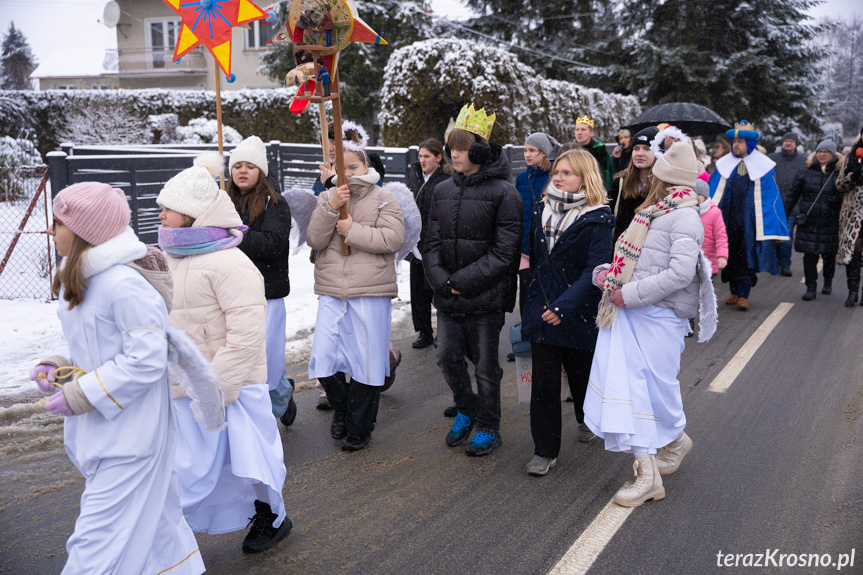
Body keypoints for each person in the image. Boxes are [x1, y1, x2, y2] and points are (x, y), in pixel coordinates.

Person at [30, 182, 204, 574]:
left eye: (58, 223)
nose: (50, 230)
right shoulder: (81, 277)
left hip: (133, 434)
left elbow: (146, 358)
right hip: (106, 430)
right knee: (155, 521)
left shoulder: (124, 285)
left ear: (83, 231)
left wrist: (82, 394)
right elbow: (84, 338)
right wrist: (56, 361)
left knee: (96, 540)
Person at [157, 153, 291, 553]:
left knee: (251, 462)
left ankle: (272, 517)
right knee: (189, 467)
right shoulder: (167, 258)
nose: (160, 215)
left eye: (169, 209)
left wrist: (217, 387)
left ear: (193, 215)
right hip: (186, 387)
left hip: (231, 386)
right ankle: (171, 532)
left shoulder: (232, 263)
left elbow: (247, 334)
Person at [585, 133, 717, 508]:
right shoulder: (660, 211)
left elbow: (678, 275)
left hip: (656, 317)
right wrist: (608, 276)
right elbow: (639, 262)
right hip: (637, 314)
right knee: (638, 389)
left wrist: (627, 294)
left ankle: (648, 478)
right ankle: (674, 443)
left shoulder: (685, 218)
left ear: (665, 178)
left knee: (638, 391)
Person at [424, 103, 522, 457]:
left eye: (462, 148)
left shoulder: (504, 193)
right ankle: (467, 408)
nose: (454, 154)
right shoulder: (442, 191)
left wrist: (462, 280)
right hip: (449, 294)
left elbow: (504, 251)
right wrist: (439, 277)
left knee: (485, 367)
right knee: (447, 358)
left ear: (480, 150)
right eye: (452, 147)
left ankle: (489, 427)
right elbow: (430, 241)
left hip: (486, 298)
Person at [306, 142, 405, 452]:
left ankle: (359, 426)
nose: (347, 173)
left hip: (370, 291)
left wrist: (354, 230)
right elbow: (315, 238)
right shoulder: (327, 196)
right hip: (333, 290)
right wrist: (331, 206)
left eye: (353, 167)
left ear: (365, 167)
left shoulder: (383, 198)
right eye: (341, 167)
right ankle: (345, 411)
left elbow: (393, 238)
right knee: (323, 359)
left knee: (366, 362)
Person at [521, 149, 614, 476]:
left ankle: (586, 418)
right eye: (557, 172)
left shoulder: (598, 218)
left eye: (567, 173)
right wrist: (534, 302)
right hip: (541, 310)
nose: (558, 177)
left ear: (585, 178)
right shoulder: (539, 209)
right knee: (544, 383)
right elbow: (536, 262)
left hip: (580, 312)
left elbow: (596, 269)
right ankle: (544, 451)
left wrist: (565, 306)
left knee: (581, 374)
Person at [227, 136, 296, 427]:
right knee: (242, 360)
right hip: (231, 293)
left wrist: (234, 235)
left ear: (262, 171)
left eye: (250, 166)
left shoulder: (275, 204)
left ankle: (279, 396)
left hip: (266, 292)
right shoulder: (221, 201)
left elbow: (273, 244)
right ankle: (258, 413)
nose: (242, 171)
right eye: (237, 166)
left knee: (265, 359)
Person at [708, 121, 789, 311]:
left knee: (746, 255)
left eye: (740, 142)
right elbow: (714, 192)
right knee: (728, 254)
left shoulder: (764, 166)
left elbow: (771, 197)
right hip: (727, 219)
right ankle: (734, 291)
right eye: (734, 142)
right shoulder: (724, 164)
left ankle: (744, 294)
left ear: (749, 144)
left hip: (749, 221)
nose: (735, 145)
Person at [784, 139, 845, 301]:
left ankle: (828, 280)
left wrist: (837, 199)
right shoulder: (805, 170)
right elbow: (793, 194)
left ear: (832, 154)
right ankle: (811, 287)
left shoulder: (840, 173)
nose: (822, 154)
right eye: (819, 151)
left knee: (829, 255)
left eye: (825, 152)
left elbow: (847, 194)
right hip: (809, 221)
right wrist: (783, 214)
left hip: (830, 222)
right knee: (809, 256)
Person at [407, 138, 451, 350]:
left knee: (437, 289)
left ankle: (445, 332)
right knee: (417, 291)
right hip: (415, 244)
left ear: (438, 157)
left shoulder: (445, 181)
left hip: (435, 244)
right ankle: (424, 331)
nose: (422, 160)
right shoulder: (414, 177)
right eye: (420, 156)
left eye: (427, 156)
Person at [515, 132, 559, 321]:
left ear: (543, 153)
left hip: (546, 245)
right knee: (525, 286)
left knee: (544, 289)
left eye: (532, 150)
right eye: (525, 150)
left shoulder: (555, 177)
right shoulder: (521, 179)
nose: (527, 154)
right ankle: (526, 332)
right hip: (525, 245)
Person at [608, 126, 659, 242]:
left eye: (647, 149)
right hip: (620, 251)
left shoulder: (665, 186)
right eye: (636, 148)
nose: (640, 153)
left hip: (652, 251)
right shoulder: (619, 183)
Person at [769, 132, 808, 277]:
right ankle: (773, 263)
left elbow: (805, 186)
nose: (788, 143)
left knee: (786, 237)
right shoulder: (772, 159)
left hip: (792, 207)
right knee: (772, 236)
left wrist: (800, 205)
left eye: (791, 141)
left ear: (796, 144)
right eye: (786, 141)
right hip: (773, 204)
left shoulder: (803, 162)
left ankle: (785, 264)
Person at [836, 126, 863, 306]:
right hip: (854, 214)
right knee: (853, 254)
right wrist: (851, 177)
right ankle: (852, 292)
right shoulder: (852, 157)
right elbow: (839, 185)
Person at [696, 173, 728, 276]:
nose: (695, 197)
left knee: (706, 290)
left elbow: (721, 236)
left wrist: (722, 256)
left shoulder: (714, 212)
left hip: (708, 261)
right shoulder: (687, 211)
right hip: (689, 260)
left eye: (698, 194)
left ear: (705, 196)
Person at [574, 115, 615, 191]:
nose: (579, 133)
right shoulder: (571, 150)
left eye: (583, 129)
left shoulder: (599, 151)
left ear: (591, 133)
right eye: (577, 130)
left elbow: (607, 176)